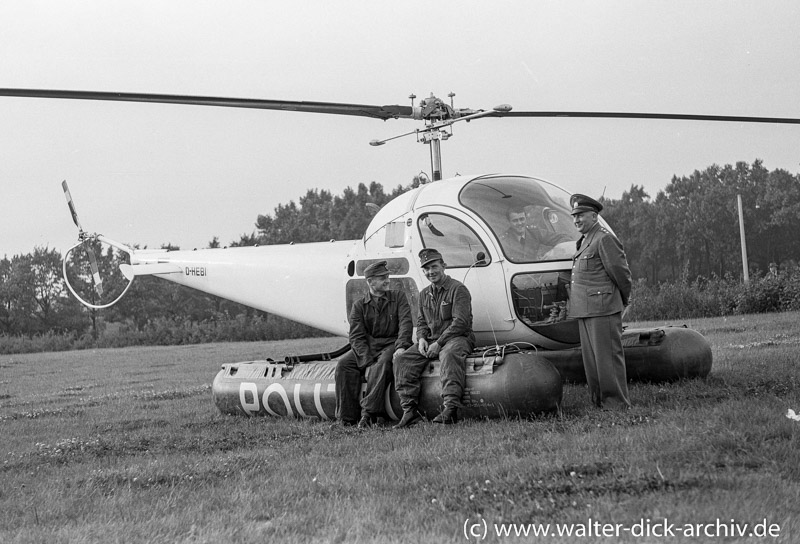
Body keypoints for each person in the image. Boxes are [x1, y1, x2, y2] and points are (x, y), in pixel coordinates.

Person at [393, 248, 475, 428]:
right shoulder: (424, 294)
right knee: (402, 360)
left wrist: (439, 343)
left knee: (449, 355)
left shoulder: (458, 289)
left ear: (443, 266)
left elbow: (460, 323)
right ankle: (409, 411)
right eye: (427, 269)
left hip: (458, 338)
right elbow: (421, 321)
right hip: (431, 340)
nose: (431, 272)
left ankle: (451, 409)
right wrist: (421, 339)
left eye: (434, 266)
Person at [568, 194, 633, 410]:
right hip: (586, 310)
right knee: (593, 363)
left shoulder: (603, 238)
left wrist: (623, 300)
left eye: (581, 215)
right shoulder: (586, 240)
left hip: (603, 309)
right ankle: (600, 403)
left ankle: (616, 404)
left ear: (594, 216)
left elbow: (620, 273)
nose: (576, 220)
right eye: (574, 216)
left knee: (608, 360)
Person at [335, 260, 413, 428]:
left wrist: (400, 347)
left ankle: (368, 414)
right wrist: (366, 361)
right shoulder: (359, 306)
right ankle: (346, 418)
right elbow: (356, 337)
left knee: (383, 363)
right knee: (343, 365)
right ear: (370, 282)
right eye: (382, 277)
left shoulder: (398, 297)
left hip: (392, 344)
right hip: (369, 348)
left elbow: (405, 325)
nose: (387, 280)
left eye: (387, 276)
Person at [500, 205, 572, 261]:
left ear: (526, 218)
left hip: (535, 275)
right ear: (509, 222)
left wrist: (554, 251)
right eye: (515, 221)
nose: (519, 223)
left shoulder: (535, 233)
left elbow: (565, 238)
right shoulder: (503, 240)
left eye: (522, 219)